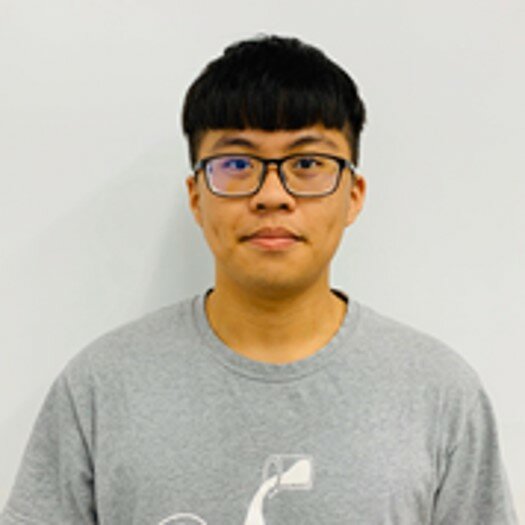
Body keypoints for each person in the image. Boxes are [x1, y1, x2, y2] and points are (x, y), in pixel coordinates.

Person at [0, 35, 517, 525]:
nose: (272, 195)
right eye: (237, 163)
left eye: (307, 163)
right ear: (197, 197)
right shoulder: (101, 386)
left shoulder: (438, 392)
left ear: (353, 195)